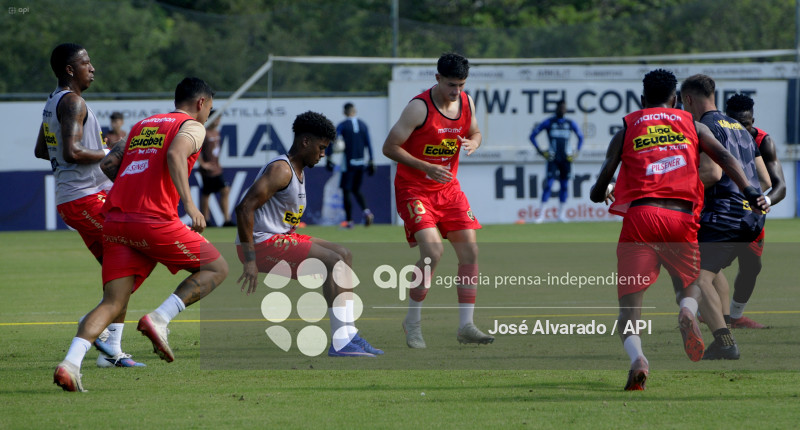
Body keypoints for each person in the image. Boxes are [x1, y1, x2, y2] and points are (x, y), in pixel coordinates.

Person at [589, 69, 766, 390]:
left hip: (641, 218)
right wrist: (751, 191)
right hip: (681, 217)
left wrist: (606, 189)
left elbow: (597, 189)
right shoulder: (692, 125)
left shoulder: (627, 128)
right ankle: (687, 310)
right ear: (674, 100)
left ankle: (638, 360)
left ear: (642, 99)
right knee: (691, 282)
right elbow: (725, 158)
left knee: (629, 309)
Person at [54, 77, 229, 392]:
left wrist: (136, 182)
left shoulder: (142, 125)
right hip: (153, 219)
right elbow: (175, 155)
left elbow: (109, 164)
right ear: (201, 103)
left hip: (116, 220)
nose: (207, 115)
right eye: (209, 108)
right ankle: (160, 319)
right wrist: (191, 206)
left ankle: (70, 364)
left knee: (112, 302)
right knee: (217, 267)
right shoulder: (192, 126)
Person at [235, 111, 382, 357]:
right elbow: (243, 208)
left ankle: (349, 334)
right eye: (321, 148)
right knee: (332, 262)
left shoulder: (297, 170)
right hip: (260, 244)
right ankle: (341, 343)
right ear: (305, 142)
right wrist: (250, 260)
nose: (323, 154)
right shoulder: (281, 170)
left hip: (281, 238)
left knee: (344, 254)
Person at [34, 43, 143, 369]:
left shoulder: (54, 101)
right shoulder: (73, 102)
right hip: (84, 197)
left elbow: (42, 150)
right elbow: (72, 152)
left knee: (119, 272)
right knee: (130, 260)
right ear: (70, 69)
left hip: (80, 196)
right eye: (86, 63)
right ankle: (95, 324)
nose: (92, 68)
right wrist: (113, 152)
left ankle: (112, 351)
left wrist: (97, 147)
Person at [383, 52, 493, 349]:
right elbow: (389, 147)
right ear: (438, 78)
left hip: (448, 190)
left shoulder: (467, 103)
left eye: (461, 85)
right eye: (451, 85)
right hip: (414, 189)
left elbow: (476, 132)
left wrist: (474, 142)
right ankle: (413, 322)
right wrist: (426, 166)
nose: (456, 91)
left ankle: (466, 326)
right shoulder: (418, 108)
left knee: (470, 251)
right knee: (433, 252)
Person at [681, 74, 770, 360]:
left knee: (695, 276)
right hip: (751, 219)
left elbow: (711, 173)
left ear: (688, 100)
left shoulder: (704, 126)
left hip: (723, 215)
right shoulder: (740, 128)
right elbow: (765, 180)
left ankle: (724, 342)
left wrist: (674, 187)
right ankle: (725, 324)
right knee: (713, 270)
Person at [705, 94, 786, 329]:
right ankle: (709, 310)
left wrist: (764, 200)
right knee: (709, 266)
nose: (741, 128)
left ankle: (736, 315)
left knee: (752, 267)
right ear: (726, 119)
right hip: (720, 211)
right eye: (736, 122)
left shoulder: (762, 140)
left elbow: (778, 185)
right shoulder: (715, 135)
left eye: (746, 124)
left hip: (751, 213)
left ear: (753, 121)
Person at [529, 99, 584, 223]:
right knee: (548, 185)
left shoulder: (570, 123)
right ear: (557, 108)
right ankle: (541, 215)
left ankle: (561, 215)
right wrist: (541, 151)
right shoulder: (549, 122)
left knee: (564, 186)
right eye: (560, 108)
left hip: (566, 159)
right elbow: (532, 136)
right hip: (553, 159)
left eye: (564, 108)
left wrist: (576, 152)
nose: (562, 110)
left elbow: (581, 137)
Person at [326, 102, 375, 229]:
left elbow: (333, 139)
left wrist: (329, 157)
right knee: (356, 189)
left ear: (344, 112)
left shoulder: (343, 125)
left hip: (348, 164)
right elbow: (369, 144)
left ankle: (349, 221)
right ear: (355, 111)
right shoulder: (363, 125)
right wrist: (371, 160)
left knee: (346, 190)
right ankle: (367, 212)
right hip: (361, 163)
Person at [198, 110, 234, 226]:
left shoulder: (216, 133)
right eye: (216, 118)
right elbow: (195, 149)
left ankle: (227, 219)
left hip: (216, 168)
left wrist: (218, 163)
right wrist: (202, 163)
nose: (218, 121)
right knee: (207, 193)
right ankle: (206, 219)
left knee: (224, 190)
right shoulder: (204, 132)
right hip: (208, 170)